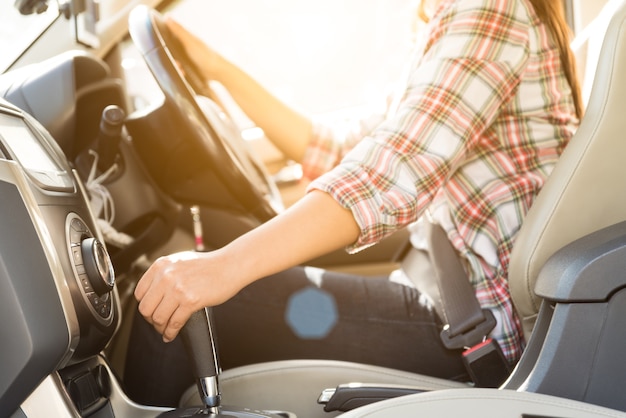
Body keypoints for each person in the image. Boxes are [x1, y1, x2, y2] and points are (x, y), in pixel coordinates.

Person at [127, 0, 583, 406]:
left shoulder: (490, 11)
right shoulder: (451, 18)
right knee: (181, 288)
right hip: (447, 281)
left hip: (480, 324)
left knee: (172, 306)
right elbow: (340, 145)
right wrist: (216, 68)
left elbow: (390, 174)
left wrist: (221, 268)